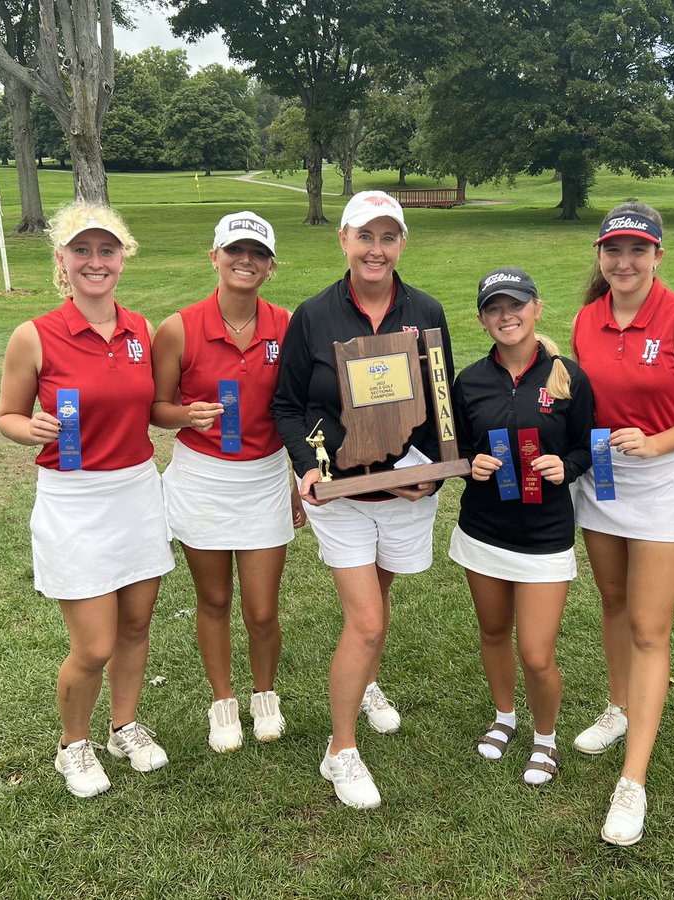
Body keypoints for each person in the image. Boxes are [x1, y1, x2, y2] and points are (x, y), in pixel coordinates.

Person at [272, 190, 454, 809]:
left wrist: (432, 472)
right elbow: (287, 405)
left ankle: (368, 682)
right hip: (342, 493)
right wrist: (305, 467)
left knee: (383, 592)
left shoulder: (425, 310)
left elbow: (440, 404)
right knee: (367, 619)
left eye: (388, 237)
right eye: (365, 236)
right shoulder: (314, 315)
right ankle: (340, 751)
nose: (376, 249)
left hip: (405, 490)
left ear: (402, 244)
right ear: (344, 241)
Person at [0, 202, 175, 798]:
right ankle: (74, 744)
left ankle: (123, 725)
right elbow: (7, 416)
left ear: (123, 258)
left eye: (106, 251)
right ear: (61, 262)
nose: (95, 262)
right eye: (82, 251)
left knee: (136, 625)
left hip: (137, 491)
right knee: (93, 644)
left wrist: (185, 415)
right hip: (74, 500)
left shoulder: (142, 330)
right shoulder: (34, 335)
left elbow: (147, 408)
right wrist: (33, 430)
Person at [569, 202, 674, 845]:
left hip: (663, 482)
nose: (624, 262)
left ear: (658, 255)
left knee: (648, 624)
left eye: (638, 250)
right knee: (611, 599)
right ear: (601, 256)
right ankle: (618, 705)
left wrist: (659, 443)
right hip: (603, 478)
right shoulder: (586, 318)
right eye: (614, 250)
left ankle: (633, 781)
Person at [151, 211, 305, 754]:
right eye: (235, 251)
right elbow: (156, 407)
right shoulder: (179, 327)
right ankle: (223, 703)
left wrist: (293, 476)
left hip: (263, 475)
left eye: (258, 254)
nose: (246, 261)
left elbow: (293, 409)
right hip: (202, 477)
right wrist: (185, 414)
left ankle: (266, 695)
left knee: (262, 609)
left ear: (271, 267)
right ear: (213, 257)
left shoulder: (287, 326)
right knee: (214, 600)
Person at [450, 267, 593, 786]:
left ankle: (546, 739)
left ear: (536, 308)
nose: (505, 316)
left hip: (544, 534)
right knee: (492, 632)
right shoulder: (470, 380)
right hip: (483, 528)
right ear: (483, 318)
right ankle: (505, 718)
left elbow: (586, 445)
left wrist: (567, 467)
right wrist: (472, 463)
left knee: (536, 652)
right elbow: (460, 448)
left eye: (515, 305)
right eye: (494, 308)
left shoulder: (568, 376)